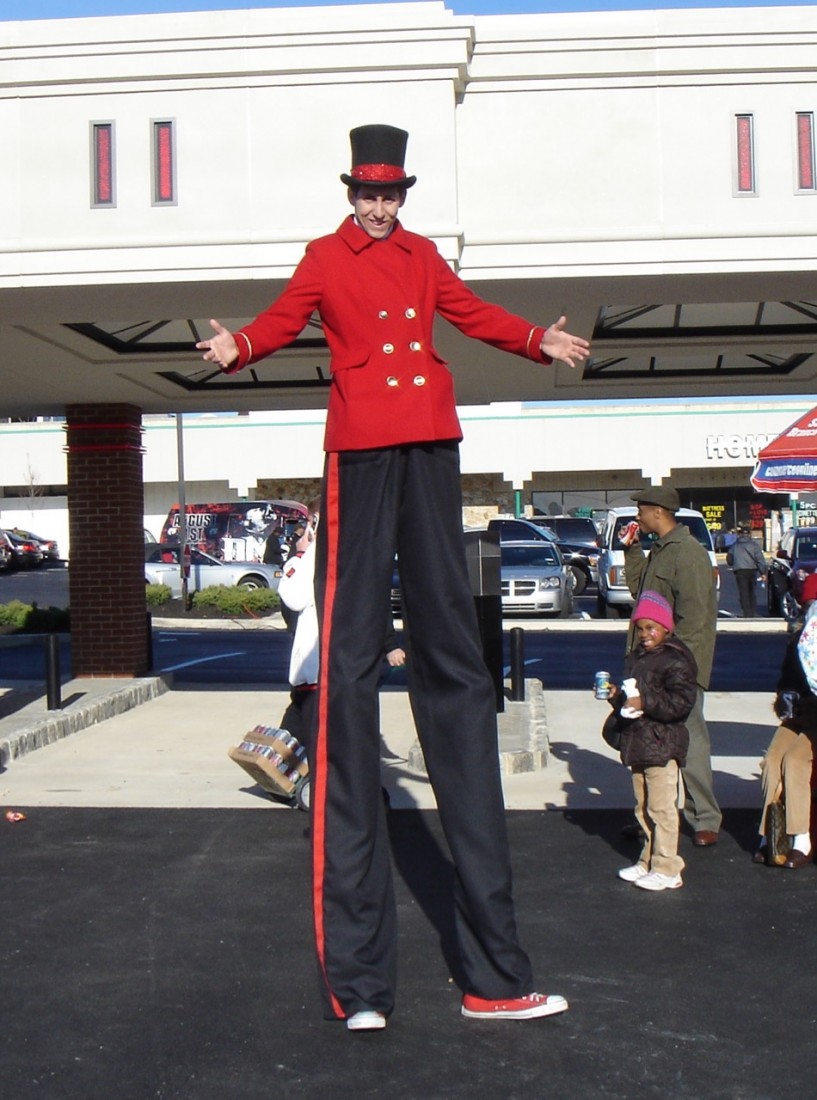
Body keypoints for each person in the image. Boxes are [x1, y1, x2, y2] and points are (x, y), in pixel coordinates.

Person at [196, 123, 590, 1031]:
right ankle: (361, 991)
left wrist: (537, 340)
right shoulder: (324, 256)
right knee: (349, 659)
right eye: (368, 195)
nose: (379, 208)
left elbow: (471, 313)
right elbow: (283, 316)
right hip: (361, 445)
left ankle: (493, 983)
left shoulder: (420, 256)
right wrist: (238, 350)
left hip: (430, 437)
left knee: (453, 647)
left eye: (391, 195)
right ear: (350, 194)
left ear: (403, 196)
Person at [620, 485, 722, 846]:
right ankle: (654, 817)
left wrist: (678, 669)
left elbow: (696, 618)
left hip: (678, 668)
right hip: (650, 665)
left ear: (658, 512)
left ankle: (704, 818)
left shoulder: (689, 554)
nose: (637, 517)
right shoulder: (659, 551)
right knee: (651, 743)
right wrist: (631, 551)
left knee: (690, 740)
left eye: (641, 511)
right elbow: (641, 595)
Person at [603, 590, 698, 891]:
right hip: (639, 743)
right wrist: (617, 697)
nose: (644, 634)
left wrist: (646, 702)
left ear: (666, 628)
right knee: (643, 807)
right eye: (639, 628)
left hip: (662, 744)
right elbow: (633, 701)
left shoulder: (676, 660)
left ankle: (668, 866)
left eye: (651, 628)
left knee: (662, 809)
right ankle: (648, 860)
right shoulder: (637, 658)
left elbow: (681, 704)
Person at [754, 571, 817, 869]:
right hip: (800, 716)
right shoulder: (799, 643)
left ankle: (801, 838)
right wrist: (786, 697)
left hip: (815, 721)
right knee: (773, 760)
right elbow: (786, 680)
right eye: (810, 604)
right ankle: (770, 836)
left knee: (794, 761)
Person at [726, 524, 767, 618]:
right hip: (752, 570)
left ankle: (746, 612)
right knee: (751, 591)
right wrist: (763, 572)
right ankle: (752, 612)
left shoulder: (734, 546)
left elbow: (729, 560)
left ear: (740, 534)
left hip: (740, 571)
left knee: (743, 592)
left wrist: (734, 563)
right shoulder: (754, 545)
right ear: (749, 534)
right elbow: (760, 559)